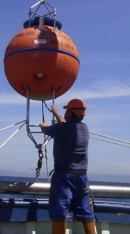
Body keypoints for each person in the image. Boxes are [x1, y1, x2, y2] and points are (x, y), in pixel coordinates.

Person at [39, 99, 96, 234]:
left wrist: (43, 125)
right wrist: (56, 114)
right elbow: (65, 125)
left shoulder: (61, 128)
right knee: (85, 211)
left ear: (70, 113)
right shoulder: (84, 128)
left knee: (59, 211)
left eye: (66, 111)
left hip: (63, 176)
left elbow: (46, 130)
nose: (64, 114)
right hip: (81, 177)